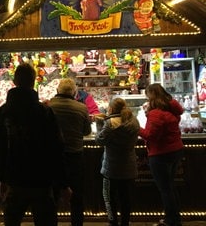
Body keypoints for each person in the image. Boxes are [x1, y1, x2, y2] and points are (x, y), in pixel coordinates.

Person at [0, 63, 71, 226]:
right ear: (34, 81)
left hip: (14, 181)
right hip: (42, 182)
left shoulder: (2, 114)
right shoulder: (45, 112)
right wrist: (62, 183)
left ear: (14, 81)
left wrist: (2, 177)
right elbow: (57, 148)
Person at [47, 78, 92, 226]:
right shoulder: (81, 108)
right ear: (74, 92)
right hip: (75, 157)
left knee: (52, 197)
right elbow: (86, 131)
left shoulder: (48, 107)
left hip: (53, 158)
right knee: (77, 197)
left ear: (58, 90)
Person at [139, 83, 184, 226]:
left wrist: (136, 127)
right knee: (170, 186)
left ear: (152, 96)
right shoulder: (172, 109)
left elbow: (150, 136)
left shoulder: (156, 113)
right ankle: (175, 218)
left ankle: (171, 220)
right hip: (175, 150)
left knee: (165, 189)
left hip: (161, 154)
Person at [95, 98, 140, 226]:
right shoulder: (134, 121)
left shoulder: (110, 123)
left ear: (110, 109)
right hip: (129, 166)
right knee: (126, 198)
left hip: (111, 167)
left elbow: (99, 140)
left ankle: (112, 221)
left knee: (109, 197)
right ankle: (125, 222)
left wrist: (100, 123)